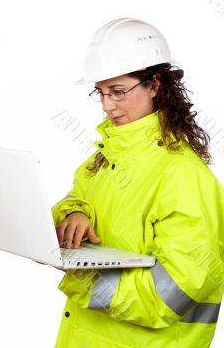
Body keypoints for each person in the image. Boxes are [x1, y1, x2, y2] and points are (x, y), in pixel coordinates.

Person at [51, 18, 224, 348]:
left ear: (155, 84)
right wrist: (75, 213)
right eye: (100, 92)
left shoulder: (184, 176)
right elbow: (76, 196)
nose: (106, 105)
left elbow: (172, 295)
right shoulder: (104, 158)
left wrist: (84, 281)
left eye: (117, 91)